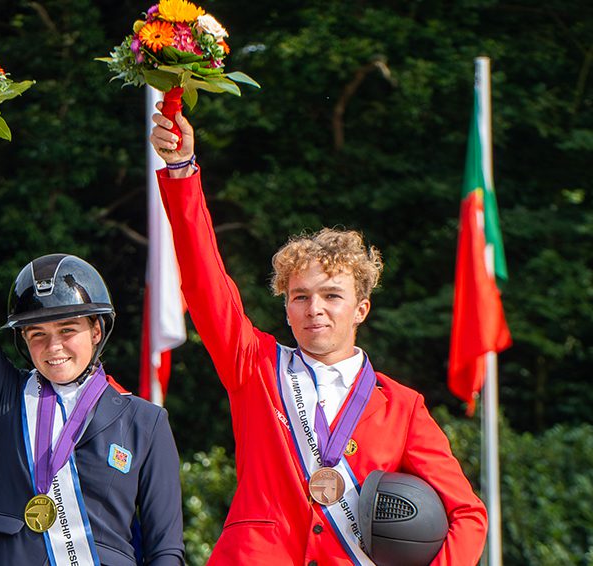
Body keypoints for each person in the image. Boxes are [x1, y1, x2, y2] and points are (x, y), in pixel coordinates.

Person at [147, 109, 487, 565]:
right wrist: (181, 170)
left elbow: (468, 514)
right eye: (300, 297)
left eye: (331, 295)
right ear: (286, 309)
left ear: (361, 309)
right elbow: (205, 281)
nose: (315, 308)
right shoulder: (254, 366)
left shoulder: (402, 408)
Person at [0, 112, 185, 566]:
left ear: (97, 331)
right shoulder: (6, 398)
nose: (53, 347)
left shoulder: (145, 422)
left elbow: (166, 547)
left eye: (67, 331)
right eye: (37, 335)